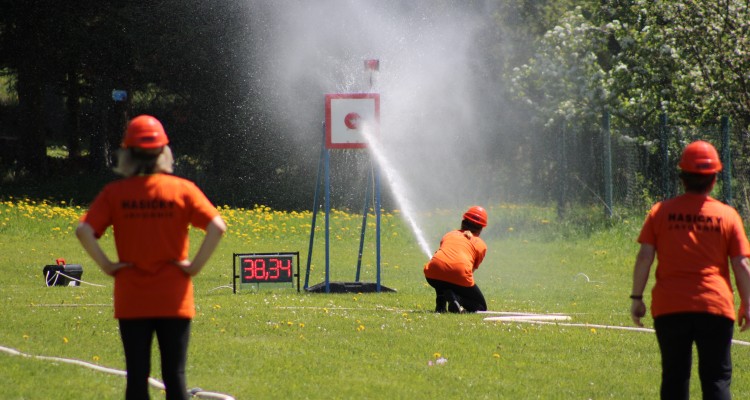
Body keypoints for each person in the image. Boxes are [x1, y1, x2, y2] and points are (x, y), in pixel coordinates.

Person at [76, 115, 227, 400]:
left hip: (132, 296)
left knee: (136, 376)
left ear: (128, 154)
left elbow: (84, 230)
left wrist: (108, 266)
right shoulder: (182, 189)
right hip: (174, 296)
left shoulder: (115, 193)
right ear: (163, 152)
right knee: (175, 376)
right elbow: (217, 227)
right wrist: (193, 267)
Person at [630, 140, 750, 400]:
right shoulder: (727, 215)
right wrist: (747, 304)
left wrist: (636, 298)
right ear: (714, 178)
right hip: (715, 307)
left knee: (675, 377)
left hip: (671, 307)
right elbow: (741, 264)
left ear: (682, 177)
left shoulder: (661, 212)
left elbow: (644, 257)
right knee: (716, 379)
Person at [424, 206, 488, 313]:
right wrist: (458, 291)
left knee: (441, 274)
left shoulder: (449, 234)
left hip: (431, 274)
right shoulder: (481, 245)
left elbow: (443, 262)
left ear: (463, 222)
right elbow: (470, 271)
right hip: (458, 274)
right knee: (481, 306)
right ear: (481, 228)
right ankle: (457, 299)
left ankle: (440, 306)